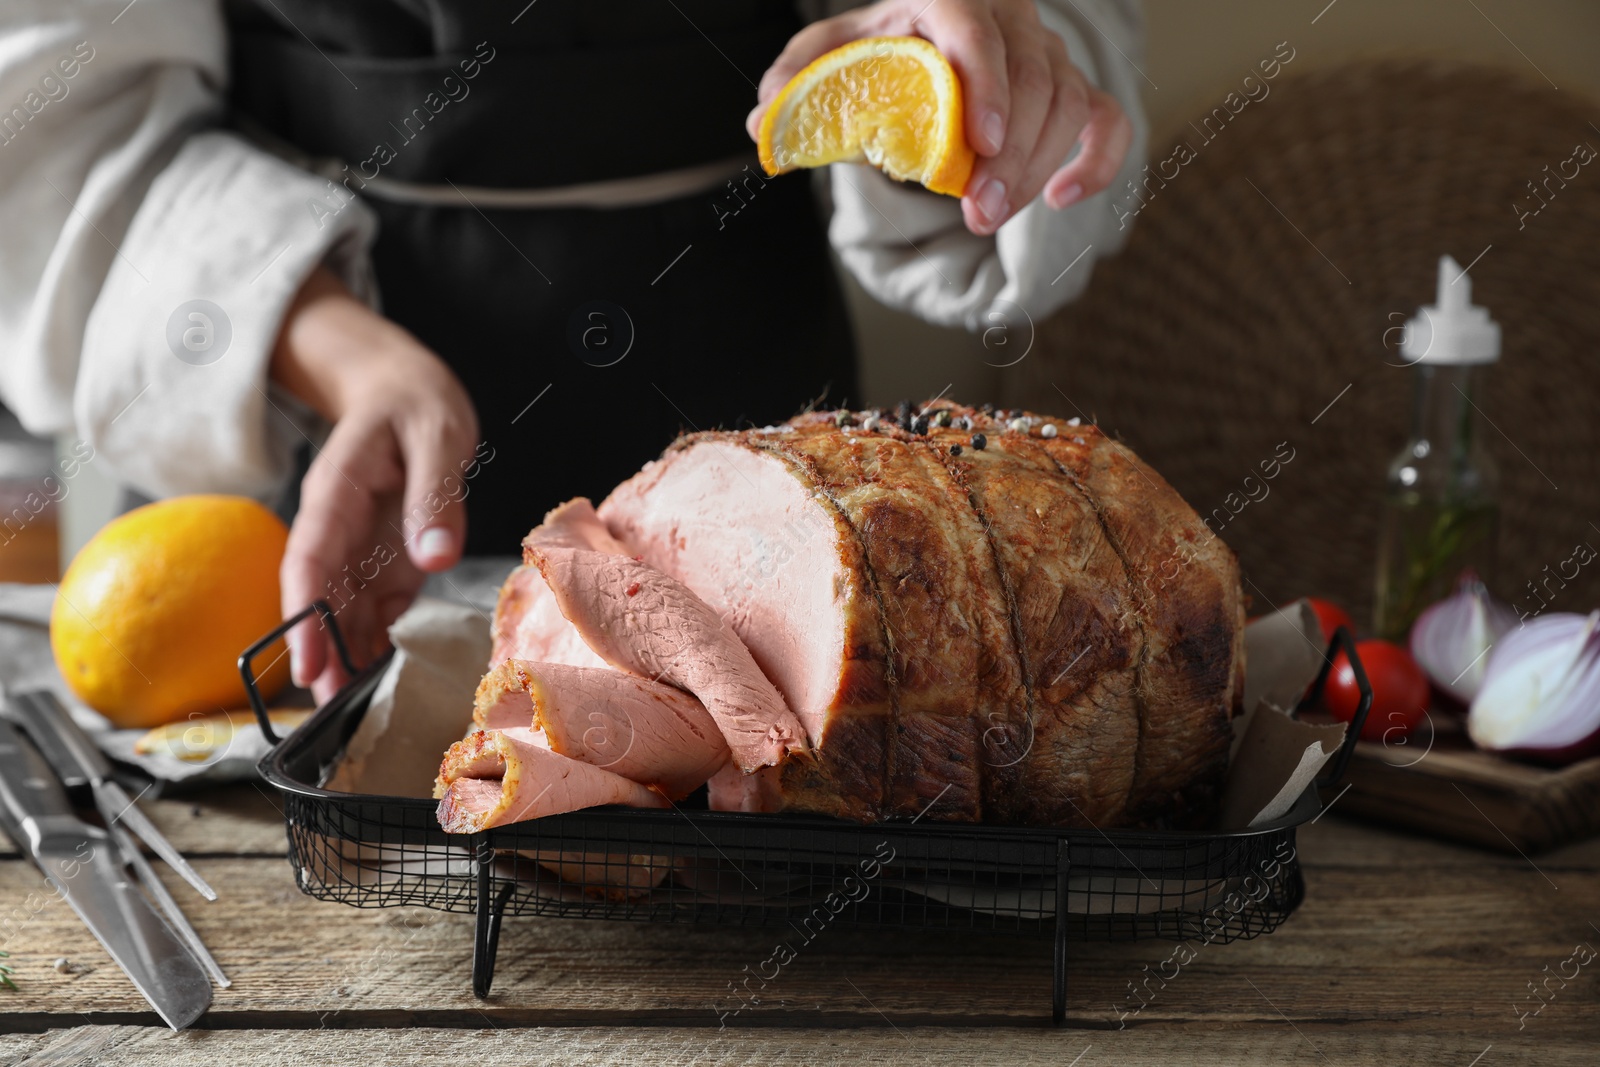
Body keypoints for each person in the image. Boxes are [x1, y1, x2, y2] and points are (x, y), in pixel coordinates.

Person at [0, 0, 1146, 701]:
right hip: (285, 428)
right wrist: (338, 354)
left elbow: (1018, 39)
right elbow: (45, 133)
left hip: (736, 362)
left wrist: (981, 68)